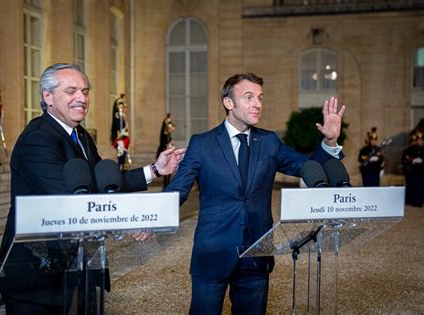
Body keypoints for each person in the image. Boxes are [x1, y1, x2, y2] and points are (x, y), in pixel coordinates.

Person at [0, 63, 184, 314]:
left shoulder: (80, 135)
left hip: (78, 271)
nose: (81, 98)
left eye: (85, 91)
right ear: (48, 97)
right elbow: (71, 200)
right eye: (71, 91)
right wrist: (132, 218)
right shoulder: (37, 139)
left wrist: (154, 170)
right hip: (37, 278)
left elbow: (104, 179)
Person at [164, 73, 346, 314]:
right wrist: (149, 219)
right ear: (228, 103)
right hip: (213, 253)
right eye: (248, 97)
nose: (257, 104)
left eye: (260, 98)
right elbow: (178, 190)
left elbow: (309, 165)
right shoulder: (202, 143)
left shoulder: (269, 142)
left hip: (257, 255)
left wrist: (330, 142)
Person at [402, 129, 424, 207]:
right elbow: (406, 158)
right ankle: (413, 200)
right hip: (413, 171)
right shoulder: (411, 149)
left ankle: (419, 201)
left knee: (420, 187)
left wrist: (423, 161)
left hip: (421, 171)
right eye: (418, 140)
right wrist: (413, 161)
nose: (420, 142)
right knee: (413, 186)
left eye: (421, 140)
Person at [110, 93, 131, 169]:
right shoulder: (118, 118)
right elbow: (118, 130)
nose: (124, 108)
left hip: (124, 139)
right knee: (121, 157)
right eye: (122, 107)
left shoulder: (123, 117)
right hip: (120, 140)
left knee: (124, 158)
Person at [156, 113, 176, 187]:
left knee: (169, 171)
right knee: (166, 171)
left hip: (169, 153)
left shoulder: (168, 135)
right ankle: (166, 184)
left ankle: (167, 184)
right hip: (165, 153)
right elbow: (164, 144)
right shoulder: (164, 134)